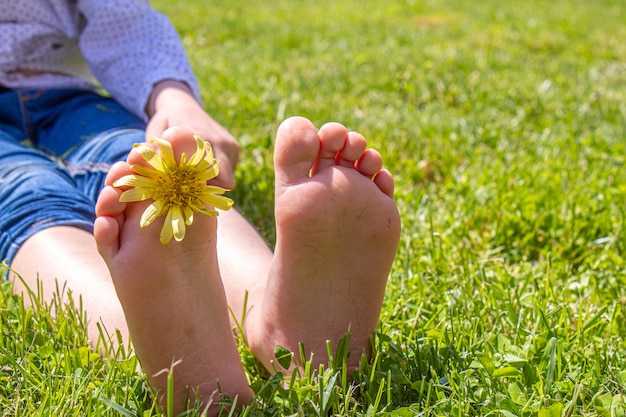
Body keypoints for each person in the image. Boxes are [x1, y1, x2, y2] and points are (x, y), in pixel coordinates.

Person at [1, 0, 402, 414]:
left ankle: (272, 317)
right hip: (66, 98)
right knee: (39, 194)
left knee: (153, 171)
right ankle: (169, 335)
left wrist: (172, 97)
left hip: (65, 93)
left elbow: (122, 18)